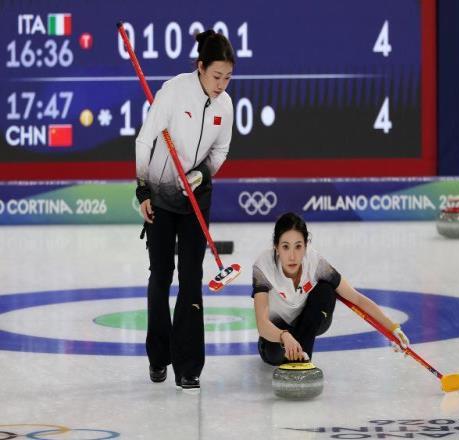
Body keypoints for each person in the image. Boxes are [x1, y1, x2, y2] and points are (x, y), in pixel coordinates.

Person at [135, 30, 235, 390]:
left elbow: (220, 151)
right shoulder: (174, 91)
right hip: (161, 198)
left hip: (196, 200)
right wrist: (143, 189)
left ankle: (189, 366)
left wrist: (201, 174)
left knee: (191, 278)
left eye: (227, 77)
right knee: (161, 275)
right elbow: (144, 139)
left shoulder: (225, 106)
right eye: (216, 76)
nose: (221, 85)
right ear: (200, 67)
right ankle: (158, 356)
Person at [252, 212, 410, 365]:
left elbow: (356, 298)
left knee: (326, 290)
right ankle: (289, 350)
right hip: (277, 332)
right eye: (285, 247)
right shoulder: (263, 266)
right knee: (275, 354)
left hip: (309, 322)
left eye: (298, 246)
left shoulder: (316, 263)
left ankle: (303, 361)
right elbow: (262, 323)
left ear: (306, 246)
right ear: (276, 247)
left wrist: (392, 328)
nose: (292, 256)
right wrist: (283, 336)